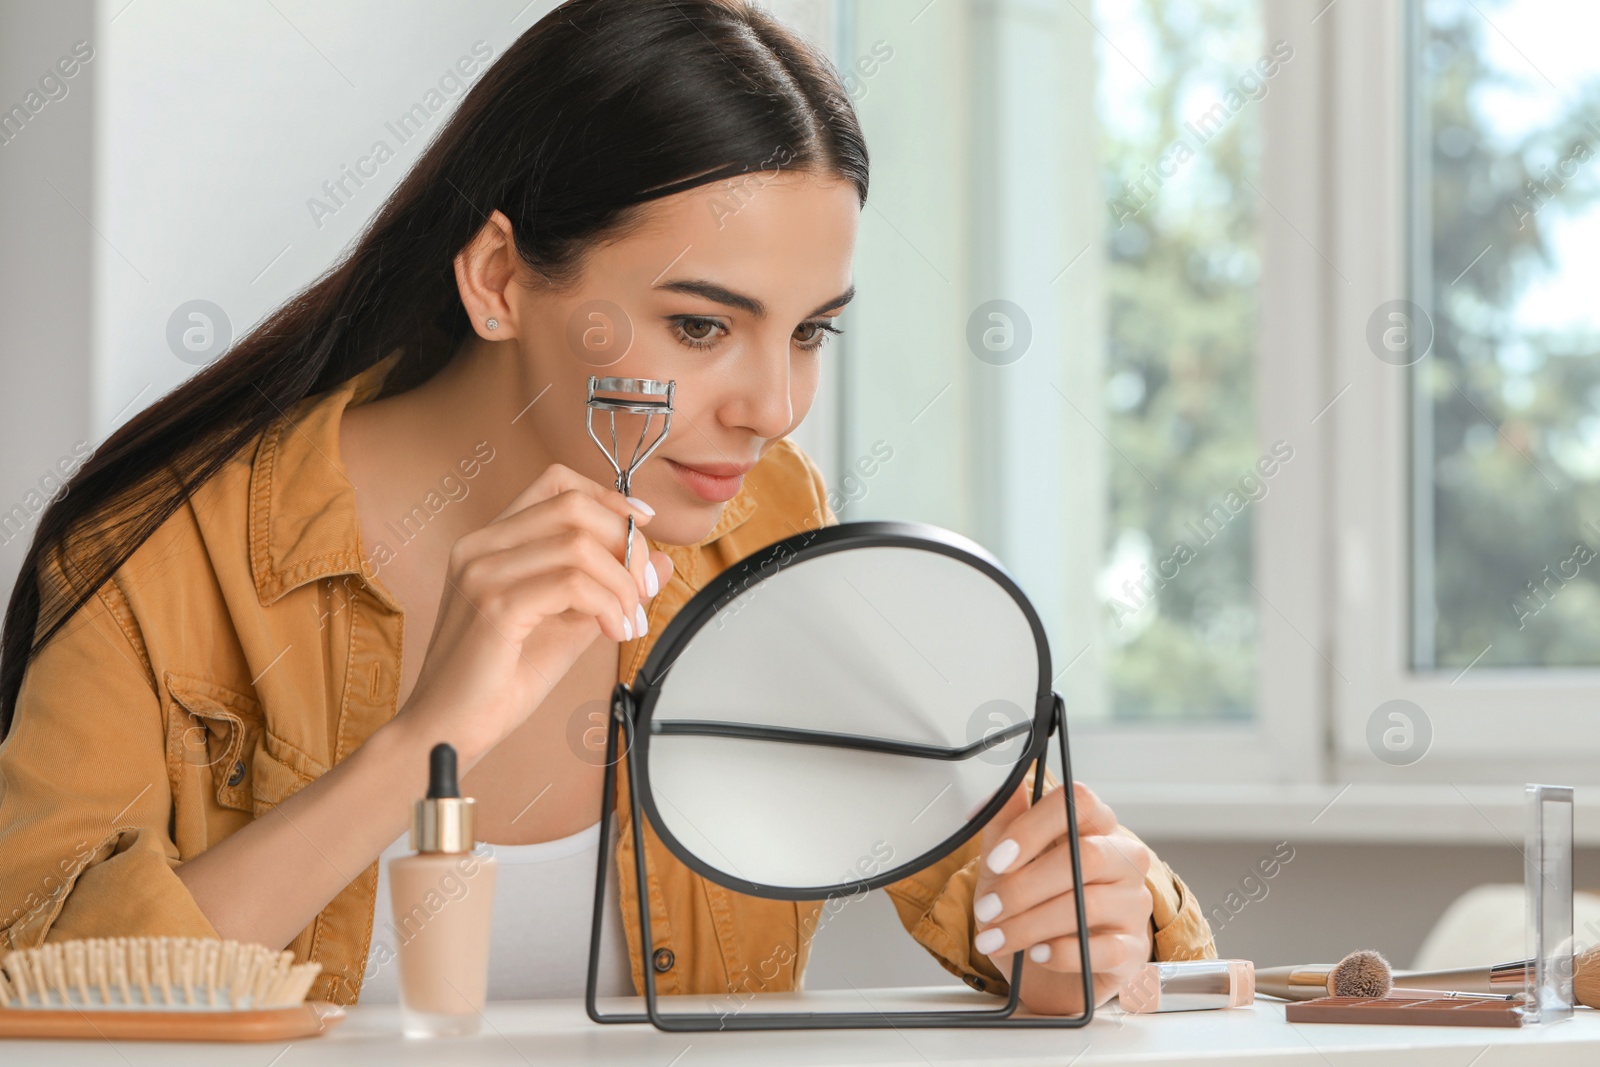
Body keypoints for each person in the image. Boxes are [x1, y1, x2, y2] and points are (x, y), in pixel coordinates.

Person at [0, 0, 1213, 1013]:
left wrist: (1079, 940)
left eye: (810, 332)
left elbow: (1012, 891)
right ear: (496, 279)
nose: (775, 407)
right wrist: (418, 742)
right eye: (700, 325)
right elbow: (34, 989)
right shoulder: (163, 555)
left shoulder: (757, 519)